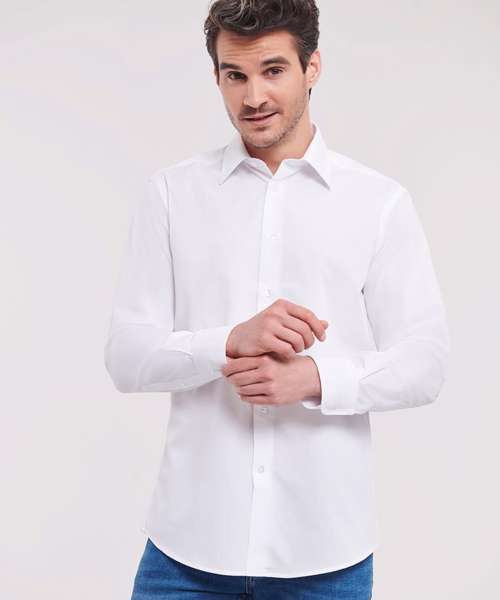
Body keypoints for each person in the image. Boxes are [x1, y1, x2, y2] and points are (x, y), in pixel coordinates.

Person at [104, 1, 450, 598]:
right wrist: (227, 343)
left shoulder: (379, 204)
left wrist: (315, 379)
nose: (253, 97)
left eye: (273, 70)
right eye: (234, 75)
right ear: (216, 76)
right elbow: (126, 356)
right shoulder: (170, 196)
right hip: (187, 550)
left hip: (325, 554)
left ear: (312, 67)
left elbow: (426, 362)